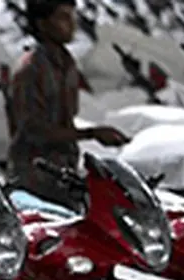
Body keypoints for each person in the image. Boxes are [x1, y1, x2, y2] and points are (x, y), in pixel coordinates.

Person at [7, 0, 130, 206]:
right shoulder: (30, 69)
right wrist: (92, 134)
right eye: (63, 17)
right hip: (35, 178)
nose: (72, 24)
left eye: (72, 16)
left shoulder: (68, 63)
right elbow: (34, 130)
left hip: (65, 173)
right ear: (42, 24)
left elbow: (66, 120)